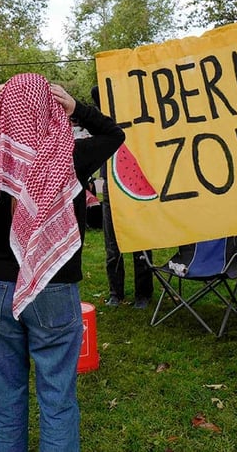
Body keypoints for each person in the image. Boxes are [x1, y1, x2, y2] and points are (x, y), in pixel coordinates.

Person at [0, 74, 124, 451]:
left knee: (4, 398)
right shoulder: (71, 155)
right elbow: (114, 134)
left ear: (4, 110)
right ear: (51, 106)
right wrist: (78, 109)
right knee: (57, 399)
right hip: (54, 288)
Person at [91, 87, 154, 309]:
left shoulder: (136, 115)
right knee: (112, 245)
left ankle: (143, 294)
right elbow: (96, 90)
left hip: (136, 184)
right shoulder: (102, 120)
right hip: (110, 183)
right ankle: (115, 293)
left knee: (141, 241)